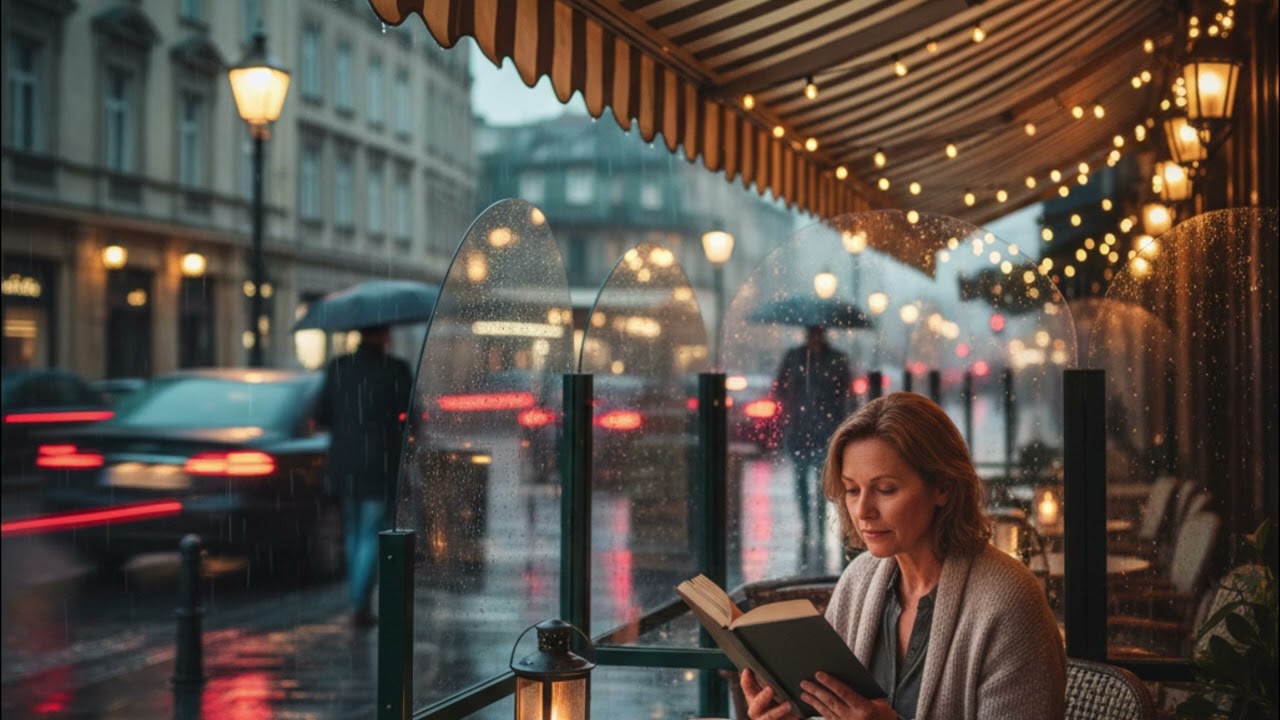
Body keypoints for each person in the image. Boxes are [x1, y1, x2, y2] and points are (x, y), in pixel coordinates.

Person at [742, 392, 1065, 719]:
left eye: (885, 490)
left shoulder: (1009, 601)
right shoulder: (858, 581)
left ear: (943, 488)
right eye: (852, 490)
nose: (863, 511)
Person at [315, 324, 413, 628]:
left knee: (354, 532)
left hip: (345, 462)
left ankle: (358, 601)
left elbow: (322, 415)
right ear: (383, 335)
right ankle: (359, 605)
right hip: (378, 462)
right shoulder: (395, 369)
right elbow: (408, 416)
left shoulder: (339, 367)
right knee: (371, 533)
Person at [773, 324, 852, 570]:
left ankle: (816, 525)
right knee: (799, 479)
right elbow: (779, 388)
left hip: (826, 430)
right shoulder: (794, 357)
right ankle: (807, 526)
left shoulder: (837, 359)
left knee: (821, 480)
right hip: (799, 428)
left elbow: (846, 394)